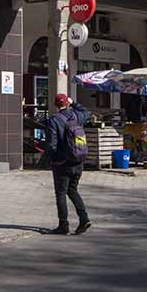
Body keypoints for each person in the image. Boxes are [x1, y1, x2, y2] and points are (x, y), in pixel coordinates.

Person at [46, 93, 91, 236]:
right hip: (78, 161)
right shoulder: (77, 116)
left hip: (62, 163)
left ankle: (63, 225)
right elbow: (88, 113)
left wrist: (51, 160)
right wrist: (74, 103)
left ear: (55, 105)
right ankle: (84, 219)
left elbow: (51, 144)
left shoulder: (54, 120)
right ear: (67, 103)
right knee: (72, 190)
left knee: (60, 193)